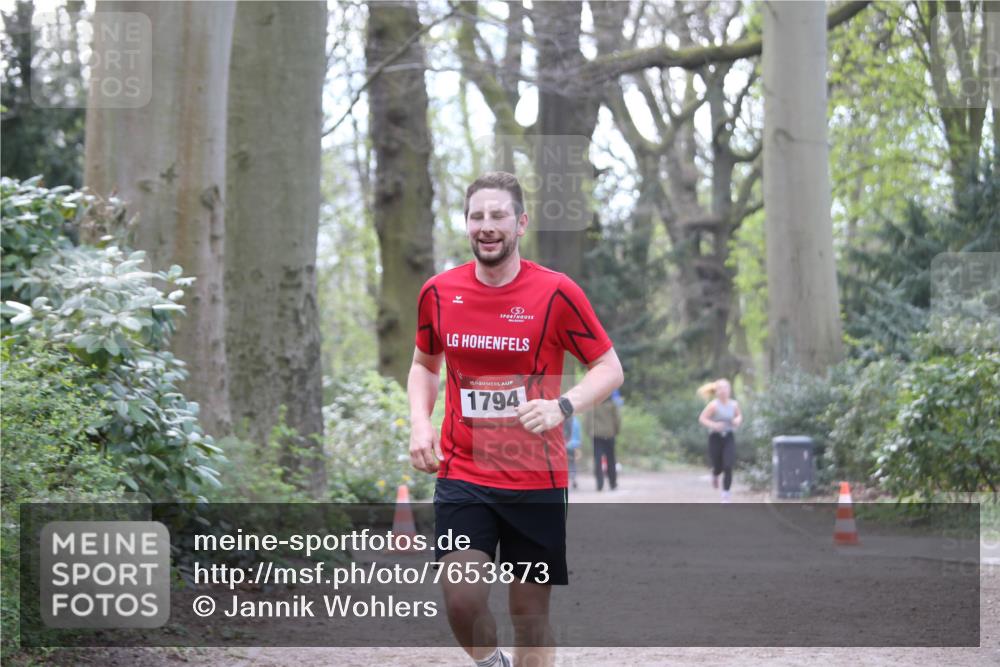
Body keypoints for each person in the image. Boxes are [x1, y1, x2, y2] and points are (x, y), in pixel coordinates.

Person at [408, 171, 624, 667]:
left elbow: (609, 367)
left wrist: (562, 405)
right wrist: (420, 422)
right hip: (464, 471)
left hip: (535, 478)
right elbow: (424, 364)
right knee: (461, 600)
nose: (487, 226)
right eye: (477, 216)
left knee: (529, 614)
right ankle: (492, 663)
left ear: (521, 223)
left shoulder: (556, 292)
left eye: (498, 215)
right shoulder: (439, 292)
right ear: (466, 224)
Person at [697, 378, 743, 503]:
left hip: (729, 437)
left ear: (730, 390)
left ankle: (726, 494)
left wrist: (737, 420)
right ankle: (715, 473)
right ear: (716, 391)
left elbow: (739, 416)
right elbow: (702, 418)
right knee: (718, 465)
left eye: (726, 388)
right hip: (715, 438)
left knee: (728, 465)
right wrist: (714, 425)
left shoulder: (734, 404)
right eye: (721, 388)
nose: (723, 391)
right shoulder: (713, 405)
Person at [590, 395, 621, 491]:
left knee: (597, 459)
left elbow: (588, 419)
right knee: (611, 459)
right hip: (609, 434)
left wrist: (589, 431)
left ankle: (599, 484)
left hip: (596, 434)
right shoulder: (612, 404)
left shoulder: (594, 404)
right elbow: (617, 419)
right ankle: (613, 483)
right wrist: (616, 431)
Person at [563, 415, 581, 490]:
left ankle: (566, 479)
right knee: (572, 462)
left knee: (564, 463)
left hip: (564, 445)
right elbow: (578, 436)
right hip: (573, 445)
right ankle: (573, 478)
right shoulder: (576, 421)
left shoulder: (562, 420)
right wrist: (578, 445)